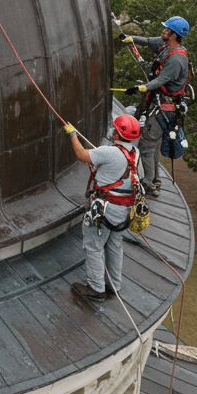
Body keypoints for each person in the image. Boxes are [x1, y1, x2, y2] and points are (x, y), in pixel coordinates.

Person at [64, 115, 144, 301]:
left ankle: (96, 288)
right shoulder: (135, 153)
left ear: (116, 133)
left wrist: (73, 135)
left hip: (105, 208)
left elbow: (82, 155)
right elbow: (106, 160)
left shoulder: (108, 153)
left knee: (94, 246)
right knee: (115, 246)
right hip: (124, 210)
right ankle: (114, 285)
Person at [123, 16, 190, 198]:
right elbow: (146, 41)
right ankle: (154, 179)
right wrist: (130, 38)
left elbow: (162, 80)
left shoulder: (176, 59)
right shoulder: (164, 46)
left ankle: (149, 182)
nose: (164, 31)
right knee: (151, 143)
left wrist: (141, 87)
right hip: (159, 102)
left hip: (166, 107)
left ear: (174, 35)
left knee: (147, 143)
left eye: (167, 30)